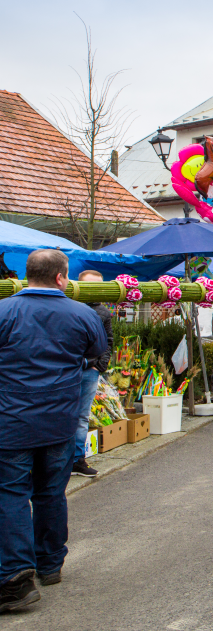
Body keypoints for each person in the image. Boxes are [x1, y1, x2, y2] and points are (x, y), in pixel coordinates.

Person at [0, 250, 106, 610]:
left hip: (11, 421)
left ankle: (16, 575)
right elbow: (96, 351)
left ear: (26, 275)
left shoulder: (4, 311)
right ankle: (50, 563)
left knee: (11, 495)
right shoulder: (83, 314)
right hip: (60, 420)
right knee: (50, 492)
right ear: (62, 277)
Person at [70, 270, 113, 478]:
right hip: (66, 370)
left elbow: (108, 342)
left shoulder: (103, 312)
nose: (94, 290)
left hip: (89, 370)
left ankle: (77, 459)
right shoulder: (68, 306)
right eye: (89, 285)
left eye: (98, 285)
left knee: (82, 415)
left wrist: (99, 366)